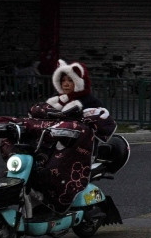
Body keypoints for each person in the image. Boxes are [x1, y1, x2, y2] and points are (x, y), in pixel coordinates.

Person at [16, 59, 116, 210]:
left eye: (70, 80)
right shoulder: (56, 101)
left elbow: (101, 123)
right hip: (52, 146)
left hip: (79, 149)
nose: (66, 84)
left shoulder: (90, 102)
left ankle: (61, 202)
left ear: (79, 81)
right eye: (63, 80)